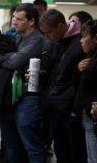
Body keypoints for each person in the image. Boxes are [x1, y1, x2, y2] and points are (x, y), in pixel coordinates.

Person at [0, 3, 46, 163]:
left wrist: (6, 57)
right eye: (13, 18)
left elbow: (14, 62)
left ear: (31, 21)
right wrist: (9, 56)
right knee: (11, 144)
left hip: (28, 97)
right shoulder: (16, 35)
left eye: (19, 19)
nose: (14, 22)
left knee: (31, 145)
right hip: (9, 96)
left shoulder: (38, 39)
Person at [39, 9, 87, 163]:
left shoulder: (80, 42)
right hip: (55, 106)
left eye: (49, 32)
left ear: (60, 26)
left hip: (70, 110)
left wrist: (75, 109)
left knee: (76, 153)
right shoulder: (55, 41)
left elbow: (80, 78)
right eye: (44, 33)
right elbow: (55, 73)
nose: (47, 37)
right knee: (61, 151)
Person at [74, 19, 97, 163]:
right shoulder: (90, 58)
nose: (81, 41)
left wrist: (89, 107)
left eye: (84, 37)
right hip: (88, 116)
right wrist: (78, 70)